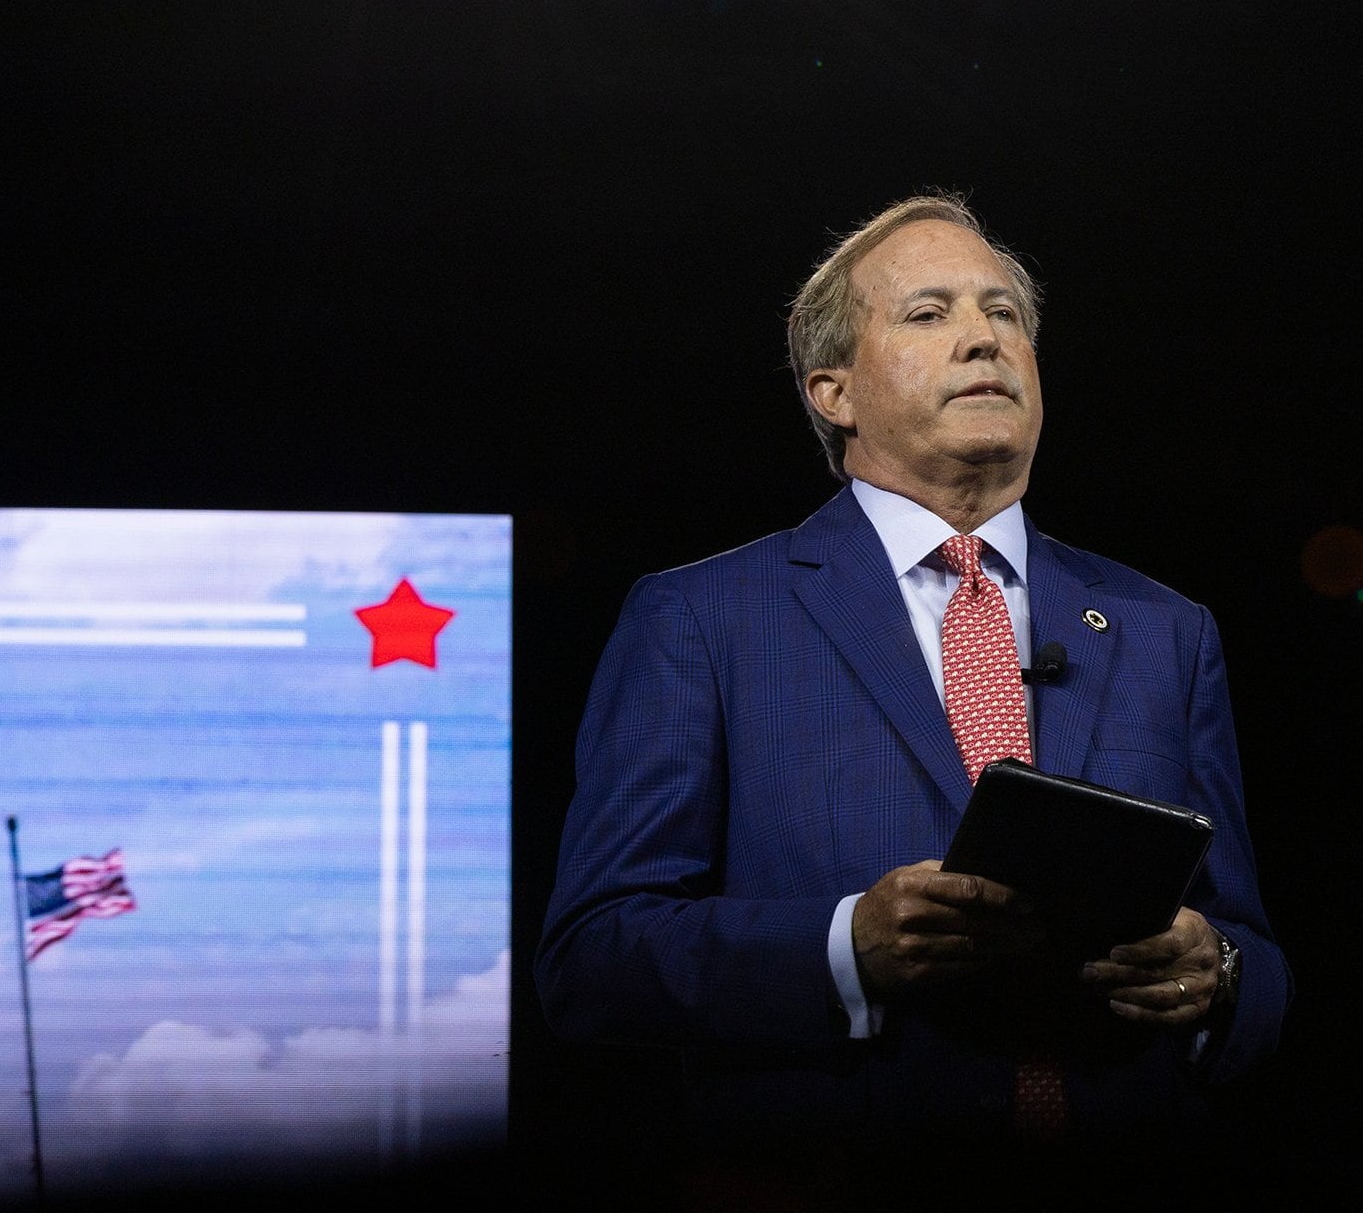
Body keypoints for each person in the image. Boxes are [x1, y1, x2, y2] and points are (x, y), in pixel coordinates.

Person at [537, 194, 1288, 1138]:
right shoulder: (702, 619)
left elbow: (1253, 959)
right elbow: (593, 961)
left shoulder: (1165, 630)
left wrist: (1212, 974)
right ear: (833, 391)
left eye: (1003, 313)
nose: (982, 340)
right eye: (928, 314)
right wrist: (844, 947)